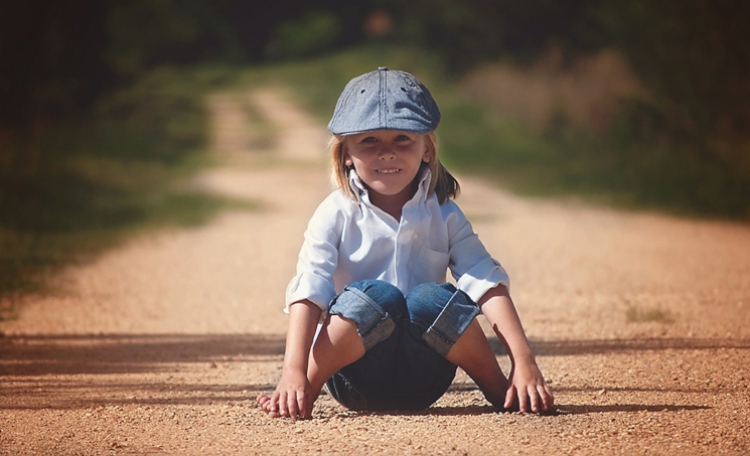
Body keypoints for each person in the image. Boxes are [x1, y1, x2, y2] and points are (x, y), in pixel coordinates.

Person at [257, 67, 553, 420]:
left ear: (427, 148)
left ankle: (500, 388)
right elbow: (310, 288)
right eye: (369, 141)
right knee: (379, 296)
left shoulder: (444, 213)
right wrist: (293, 372)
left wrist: (524, 359)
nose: (387, 153)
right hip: (354, 377)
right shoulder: (334, 213)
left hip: (424, 377)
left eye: (402, 139)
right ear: (346, 153)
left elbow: (485, 281)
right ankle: (305, 390)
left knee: (430, 299)